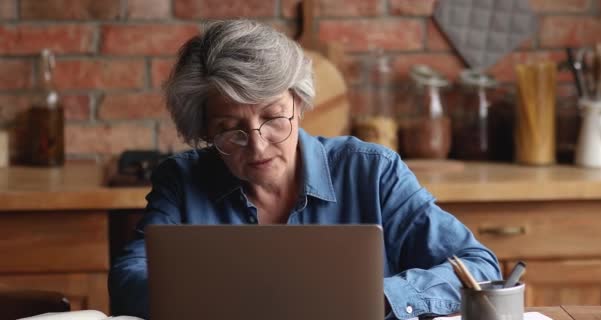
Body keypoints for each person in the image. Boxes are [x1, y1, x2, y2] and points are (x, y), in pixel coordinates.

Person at [108, 19, 501, 319]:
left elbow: (478, 266)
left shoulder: (371, 171)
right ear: (205, 132)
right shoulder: (181, 180)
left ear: (298, 102)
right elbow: (129, 278)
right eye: (230, 131)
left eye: (274, 118)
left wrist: (378, 297)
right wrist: (222, 301)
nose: (258, 145)